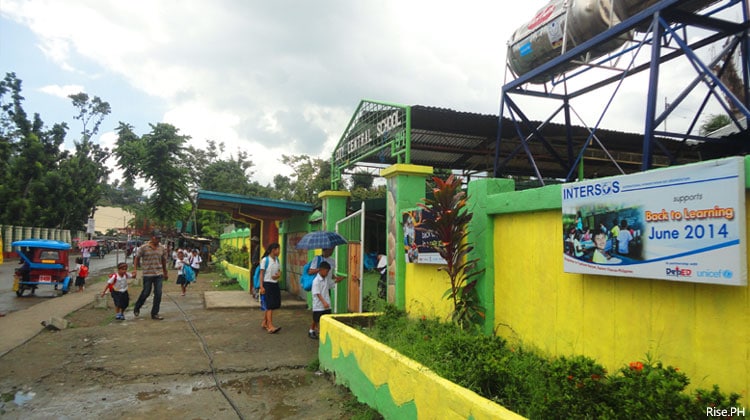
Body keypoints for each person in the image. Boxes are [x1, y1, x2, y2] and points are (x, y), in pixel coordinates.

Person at [133, 230, 169, 320]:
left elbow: (163, 260)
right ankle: (137, 307)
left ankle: (155, 313)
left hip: (158, 274)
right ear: (152, 237)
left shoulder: (162, 248)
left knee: (158, 293)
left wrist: (165, 272)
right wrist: (135, 270)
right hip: (147, 274)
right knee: (146, 292)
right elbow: (137, 258)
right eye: (156, 238)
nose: (158, 240)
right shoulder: (144, 247)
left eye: (159, 238)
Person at [308, 261, 344, 339]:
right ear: (321, 270)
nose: (327, 273)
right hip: (319, 305)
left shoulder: (326, 279)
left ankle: (314, 331)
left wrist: (337, 281)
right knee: (318, 320)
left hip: (326, 304)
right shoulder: (316, 281)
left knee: (323, 319)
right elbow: (317, 293)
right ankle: (320, 333)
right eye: (326, 271)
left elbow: (330, 285)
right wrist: (324, 302)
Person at [258, 242, 282, 334]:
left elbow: (278, 271)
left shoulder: (277, 260)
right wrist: (261, 286)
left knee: (272, 305)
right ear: (273, 250)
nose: (279, 251)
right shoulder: (265, 260)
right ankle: (270, 325)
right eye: (278, 249)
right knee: (270, 306)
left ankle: (264, 322)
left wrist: (278, 275)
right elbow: (261, 273)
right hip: (267, 284)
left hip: (274, 284)